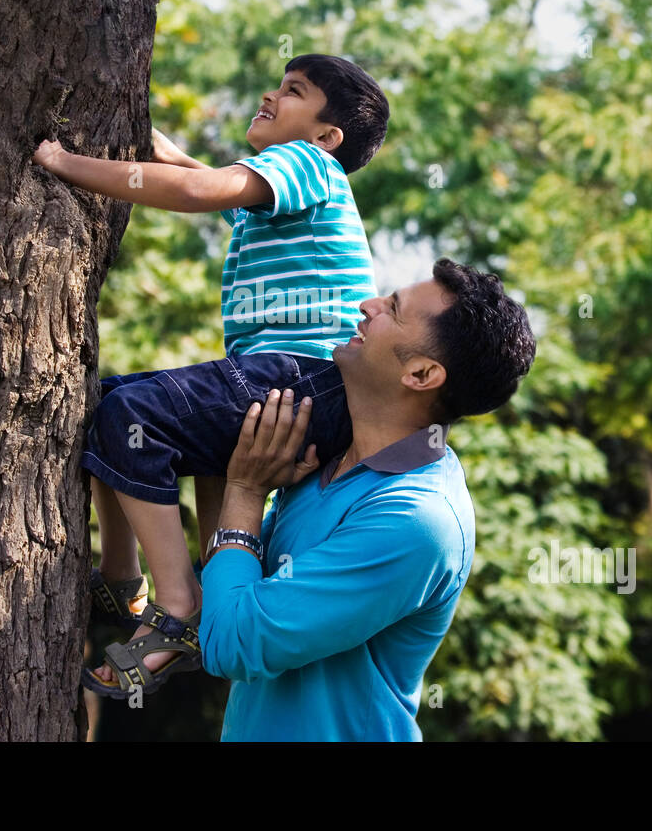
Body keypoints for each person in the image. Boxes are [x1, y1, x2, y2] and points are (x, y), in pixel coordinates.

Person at [31, 54, 389, 697]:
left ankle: (179, 605)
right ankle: (123, 578)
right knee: (108, 401)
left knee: (131, 415)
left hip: (301, 377)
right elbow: (205, 179)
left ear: (325, 135)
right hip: (295, 382)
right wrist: (150, 141)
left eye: (293, 91)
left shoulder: (307, 163)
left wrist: (66, 164)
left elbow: (199, 192)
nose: (270, 95)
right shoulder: (287, 192)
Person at [200, 258, 536, 740]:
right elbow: (224, 601)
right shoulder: (326, 459)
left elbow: (232, 642)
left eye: (392, 309)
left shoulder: (417, 518)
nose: (367, 304)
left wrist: (245, 491)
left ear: (421, 374)